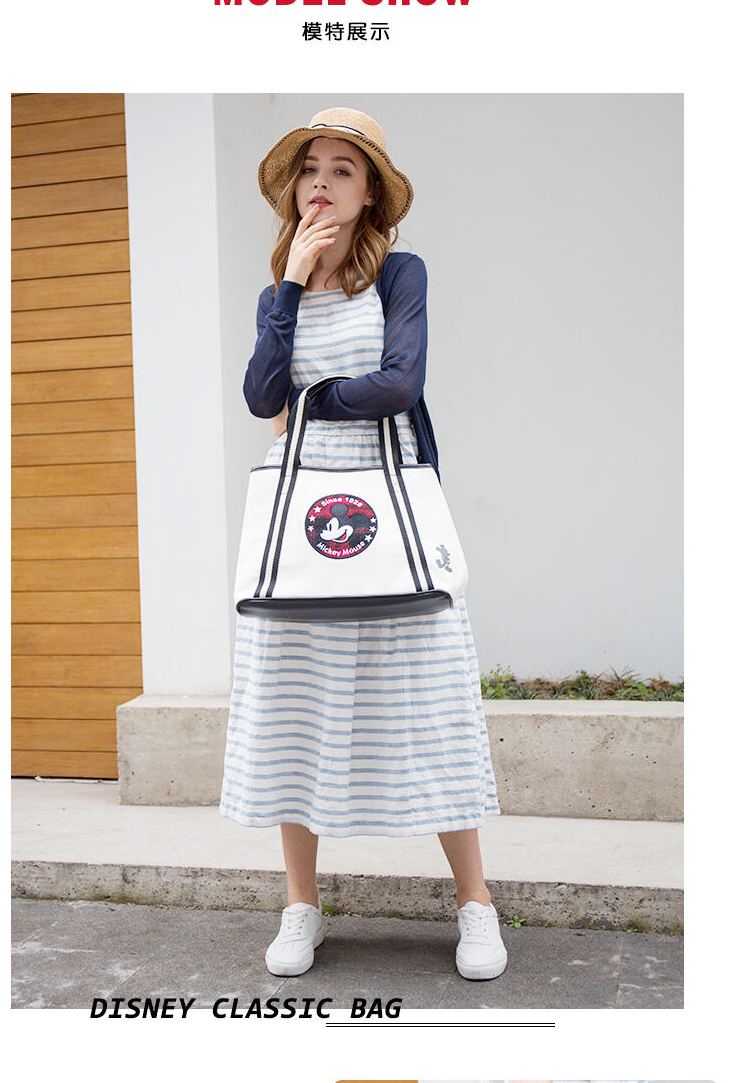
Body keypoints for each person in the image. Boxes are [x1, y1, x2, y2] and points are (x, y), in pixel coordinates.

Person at [219, 106, 505, 982]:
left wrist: (312, 400)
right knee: (292, 709)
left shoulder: (399, 274)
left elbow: (399, 383)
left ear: (370, 191)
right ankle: (301, 904)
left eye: (342, 169)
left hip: (388, 501)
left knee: (432, 704)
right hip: (305, 509)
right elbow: (257, 393)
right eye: (311, 168)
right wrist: (290, 287)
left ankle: (476, 903)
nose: (321, 183)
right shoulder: (280, 287)